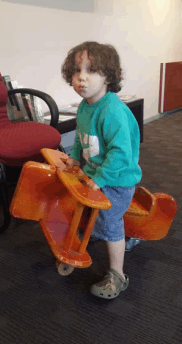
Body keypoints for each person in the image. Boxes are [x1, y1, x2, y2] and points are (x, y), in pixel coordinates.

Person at [61, 41, 142, 299]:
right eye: (76, 71)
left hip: (117, 180)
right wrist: (74, 159)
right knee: (83, 205)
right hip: (98, 174)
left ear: (107, 76)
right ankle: (113, 235)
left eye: (91, 71)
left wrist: (100, 178)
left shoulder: (113, 111)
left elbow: (121, 154)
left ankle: (118, 275)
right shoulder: (85, 105)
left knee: (109, 220)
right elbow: (79, 137)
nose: (81, 78)